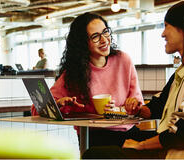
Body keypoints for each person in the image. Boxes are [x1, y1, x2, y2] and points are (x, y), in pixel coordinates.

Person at [82, 0, 184, 159]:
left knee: (95, 155)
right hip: (171, 149)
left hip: (182, 154)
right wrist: (138, 109)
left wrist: (140, 145)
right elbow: (157, 106)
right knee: (100, 149)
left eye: (167, 26)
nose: (163, 34)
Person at [31, 12, 146, 147]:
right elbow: (37, 109)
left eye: (105, 32)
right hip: (93, 137)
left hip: (128, 133)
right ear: (83, 43)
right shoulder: (74, 72)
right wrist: (60, 104)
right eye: (95, 36)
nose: (104, 40)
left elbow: (139, 106)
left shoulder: (123, 60)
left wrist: (118, 111)